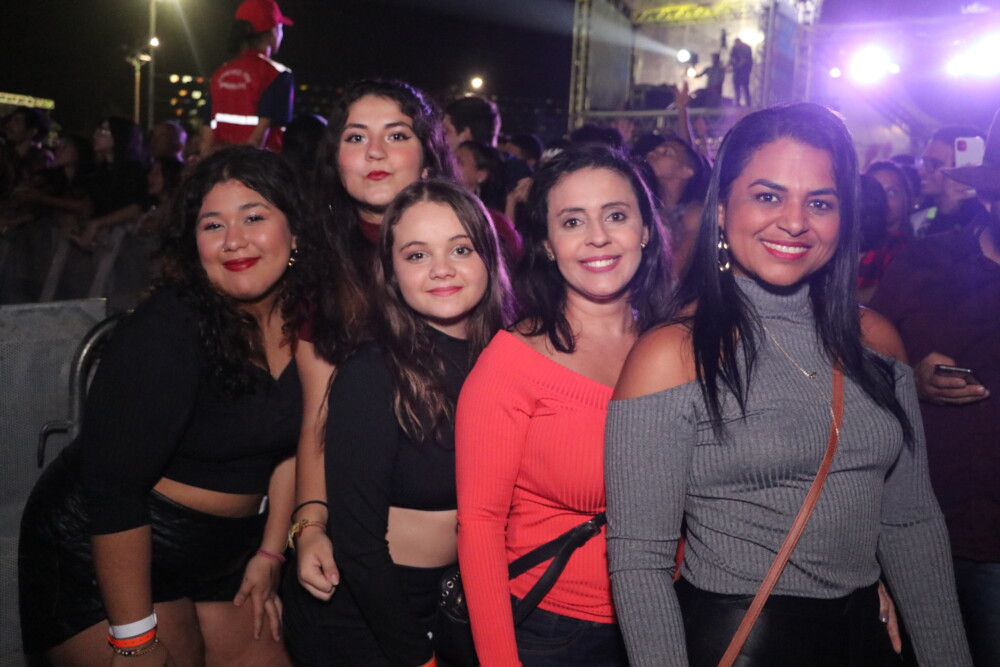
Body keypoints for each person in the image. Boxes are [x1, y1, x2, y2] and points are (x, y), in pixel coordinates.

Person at [605, 103, 972, 666]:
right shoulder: (671, 355)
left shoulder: (876, 341)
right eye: (768, 196)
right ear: (722, 209)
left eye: (820, 202)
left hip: (866, 643)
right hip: (741, 643)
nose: (795, 221)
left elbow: (911, 522)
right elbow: (639, 562)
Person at [18, 146, 305, 666]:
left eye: (254, 217)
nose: (233, 240)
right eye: (212, 224)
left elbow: (290, 446)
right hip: (107, 546)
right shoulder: (166, 330)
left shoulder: (311, 320)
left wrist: (270, 552)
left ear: (295, 230)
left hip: (225, 552)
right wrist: (133, 641)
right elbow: (113, 489)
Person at [456, 144, 673, 666]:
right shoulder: (512, 362)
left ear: (645, 230)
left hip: (669, 619)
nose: (598, 237)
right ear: (548, 245)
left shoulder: (676, 346)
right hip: (554, 631)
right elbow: (479, 525)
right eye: (572, 221)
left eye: (616, 216)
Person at [288, 179, 512, 665]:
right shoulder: (372, 373)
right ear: (391, 274)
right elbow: (359, 547)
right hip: (369, 612)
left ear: (489, 258)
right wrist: (417, 658)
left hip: (466, 602)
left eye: (460, 249)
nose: (441, 269)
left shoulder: (511, 360)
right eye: (417, 255)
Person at [280, 77, 458, 650]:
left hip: (473, 565)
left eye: (396, 135)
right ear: (337, 160)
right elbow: (318, 416)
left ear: (429, 155)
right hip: (361, 560)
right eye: (356, 137)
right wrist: (310, 525)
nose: (375, 152)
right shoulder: (323, 267)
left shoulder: (477, 244)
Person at [870, 107, 1000, 667]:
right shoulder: (925, 263)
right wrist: (908, 380)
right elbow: (856, 375)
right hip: (917, 538)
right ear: (990, 196)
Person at [202, 0, 295, 154]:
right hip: (260, 165)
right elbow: (260, 137)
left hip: (222, 164)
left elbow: (206, 140)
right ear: (273, 31)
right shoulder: (278, 74)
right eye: (280, 28)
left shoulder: (220, 73)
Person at [912, 125, 987, 237]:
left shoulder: (988, 222)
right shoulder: (917, 221)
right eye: (923, 162)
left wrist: (947, 216)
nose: (921, 171)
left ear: (962, 168)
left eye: (933, 164)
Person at [729, 38, 753, 107]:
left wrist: (735, 67)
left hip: (745, 71)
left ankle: (748, 103)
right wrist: (729, 66)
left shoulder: (746, 48)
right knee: (736, 85)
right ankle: (737, 102)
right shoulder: (734, 48)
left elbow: (744, 60)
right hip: (737, 71)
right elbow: (731, 58)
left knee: (745, 86)